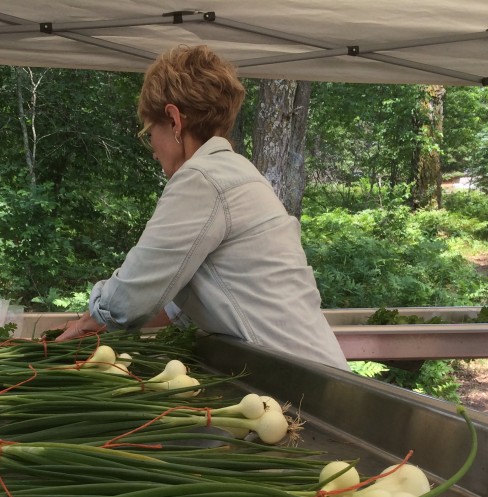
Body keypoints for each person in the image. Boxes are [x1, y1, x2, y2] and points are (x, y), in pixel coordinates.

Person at [56, 45, 347, 370]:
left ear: (174, 119)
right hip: (317, 371)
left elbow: (131, 295)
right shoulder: (238, 173)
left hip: (296, 381)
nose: (151, 148)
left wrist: (74, 335)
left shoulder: (202, 178)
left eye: (149, 131)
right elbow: (169, 299)